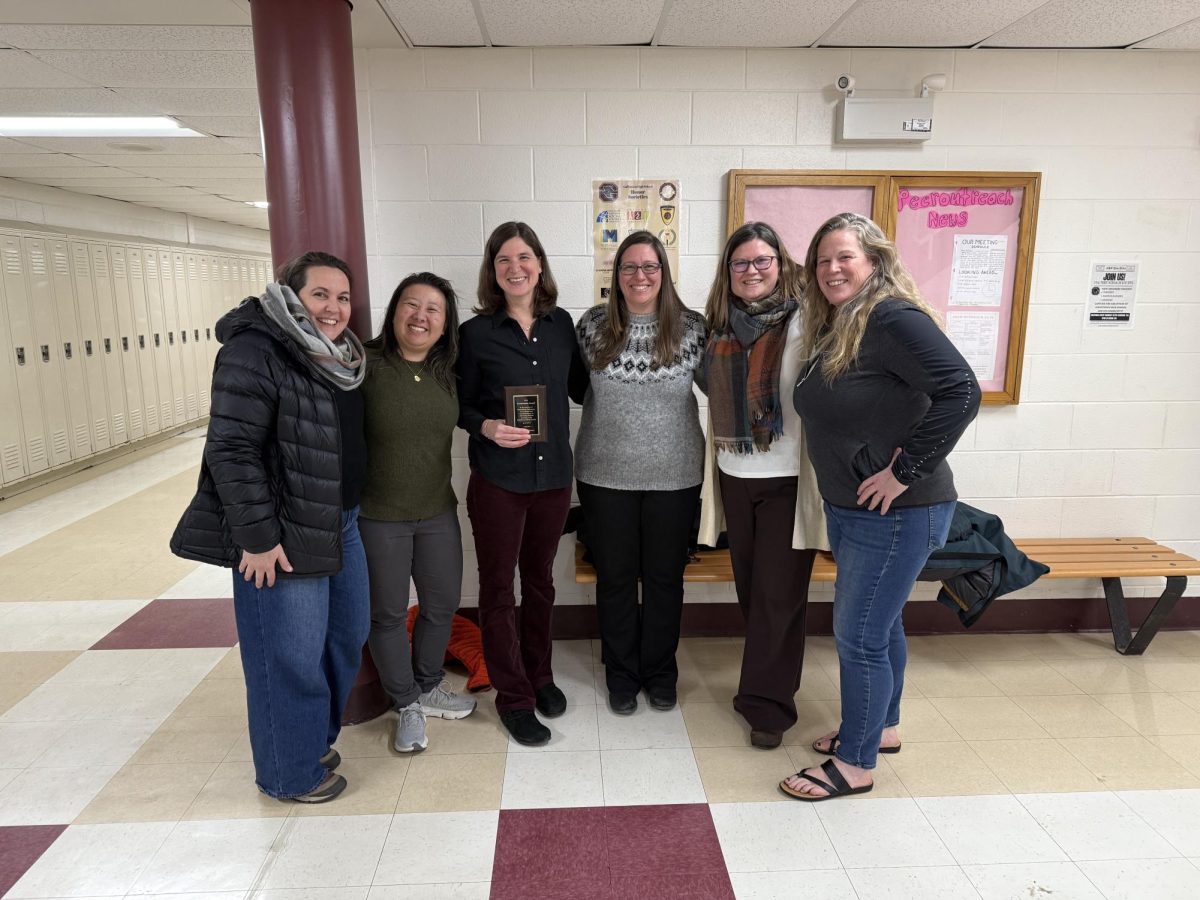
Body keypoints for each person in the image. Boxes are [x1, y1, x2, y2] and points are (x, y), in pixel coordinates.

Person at [783, 212, 979, 801]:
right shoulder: (844, 322)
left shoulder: (892, 317)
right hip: (855, 509)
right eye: (822, 260)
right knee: (880, 624)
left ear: (874, 260)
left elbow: (962, 390)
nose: (832, 269)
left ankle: (856, 762)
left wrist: (903, 470)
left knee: (860, 635)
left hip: (897, 513)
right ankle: (881, 728)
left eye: (845, 256)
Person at [171, 251, 368, 803]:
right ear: (290, 294)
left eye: (343, 297)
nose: (333, 308)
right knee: (287, 657)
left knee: (345, 639)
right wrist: (257, 538)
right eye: (321, 294)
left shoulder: (338, 356)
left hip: (339, 523)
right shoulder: (255, 349)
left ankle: (308, 740)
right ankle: (289, 772)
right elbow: (230, 450)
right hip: (281, 534)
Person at [457, 222, 588, 747]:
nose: (515, 268)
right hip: (498, 481)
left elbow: (582, 388)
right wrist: (485, 425)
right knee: (497, 588)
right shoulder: (474, 334)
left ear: (540, 265)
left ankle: (541, 677)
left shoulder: (562, 326)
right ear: (493, 271)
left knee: (540, 583)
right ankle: (513, 697)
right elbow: (459, 405)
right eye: (504, 260)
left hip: (553, 478)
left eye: (524, 257)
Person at [697, 221, 827, 750]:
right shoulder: (719, 325)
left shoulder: (808, 319)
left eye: (761, 261)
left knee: (778, 597)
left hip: (788, 481)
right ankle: (766, 684)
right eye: (740, 264)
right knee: (755, 593)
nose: (751, 272)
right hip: (735, 475)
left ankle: (768, 708)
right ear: (728, 274)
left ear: (781, 263)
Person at [575, 231, 707, 715]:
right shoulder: (591, 326)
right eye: (629, 267)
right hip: (603, 475)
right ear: (616, 276)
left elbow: (725, 388)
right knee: (614, 579)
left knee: (664, 580)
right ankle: (622, 675)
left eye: (649, 267)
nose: (640, 276)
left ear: (664, 273)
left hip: (674, 477)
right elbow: (569, 386)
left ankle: (660, 672)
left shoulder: (692, 328)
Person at [359, 272, 475, 755]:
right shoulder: (364, 365)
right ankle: (405, 702)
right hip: (378, 514)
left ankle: (428, 685)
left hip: (436, 511)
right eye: (411, 304)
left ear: (445, 324)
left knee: (441, 603)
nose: (420, 316)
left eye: (433, 309)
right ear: (394, 310)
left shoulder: (448, 370)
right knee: (386, 614)